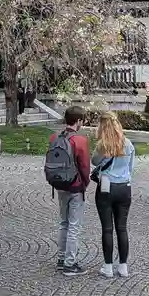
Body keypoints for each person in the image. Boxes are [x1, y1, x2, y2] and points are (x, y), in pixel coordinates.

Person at [44, 107, 91, 276]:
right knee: (74, 226)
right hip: (75, 186)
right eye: (82, 120)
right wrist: (85, 183)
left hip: (59, 184)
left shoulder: (54, 137)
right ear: (78, 121)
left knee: (63, 223)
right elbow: (85, 166)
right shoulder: (80, 140)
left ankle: (61, 259)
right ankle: (70, 264)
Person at [91, 112, 135, 278]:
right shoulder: (128, 144)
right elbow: (130, 168)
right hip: (124, 187)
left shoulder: (102, 146)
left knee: (107, 228)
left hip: (106, 186)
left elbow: (94, 161)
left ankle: (108, 266)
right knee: (122, 228)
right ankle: (123, 266)